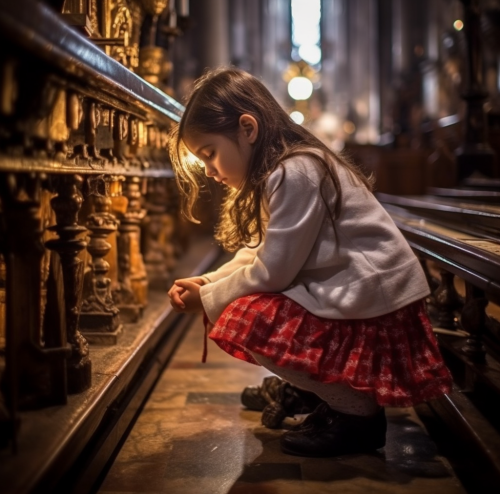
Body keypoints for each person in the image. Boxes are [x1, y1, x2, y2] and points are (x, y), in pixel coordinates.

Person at [167, 67, 453, 458]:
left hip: (376, 305)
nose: (210, 170)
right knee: (241, 306)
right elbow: (259, 252)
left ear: (247, 129)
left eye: (209, 154)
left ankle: (357, 417)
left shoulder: (296, 170)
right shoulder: (281, 171)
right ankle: (332, 404)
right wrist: (209, 281)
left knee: (247, 317)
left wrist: (212, 297)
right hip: (356, 295)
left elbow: (273, 271)